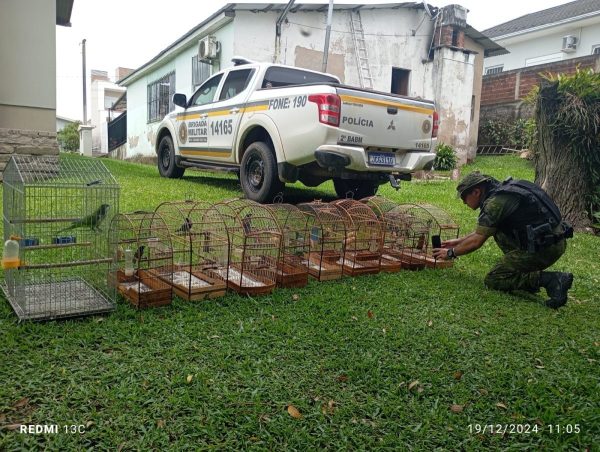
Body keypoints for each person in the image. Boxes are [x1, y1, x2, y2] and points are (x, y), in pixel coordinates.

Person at [432, 171, 574, 308]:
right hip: (553, 241)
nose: (464, 202)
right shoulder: (505, 192)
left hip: (544, 248)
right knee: (497, 230)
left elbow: (477, 241)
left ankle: (551, 280)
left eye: (464, 197)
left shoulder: (495, 203)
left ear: (476, 192)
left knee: (494, 279)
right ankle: (524, 275)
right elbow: (482, 231)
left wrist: (450, 253)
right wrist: (458, 242)